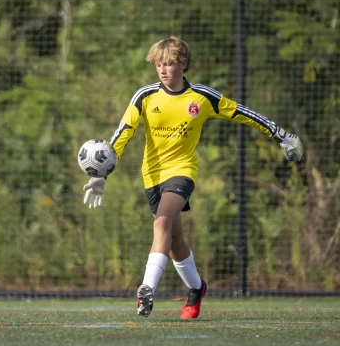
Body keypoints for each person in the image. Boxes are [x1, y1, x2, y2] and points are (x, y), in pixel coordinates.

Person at [82, 36, 303, 319]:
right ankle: (197, 288)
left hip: (182, 171)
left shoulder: (202, 97)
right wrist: (101, 175)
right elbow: (123, 133)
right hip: (151, 175)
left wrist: (280, 134)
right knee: (174, 240)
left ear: (184, 64)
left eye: (170, 63)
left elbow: (241, 113)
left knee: (162, 221)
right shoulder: (145, 96)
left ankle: (146, 290)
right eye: (159, 64)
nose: (163, 69)